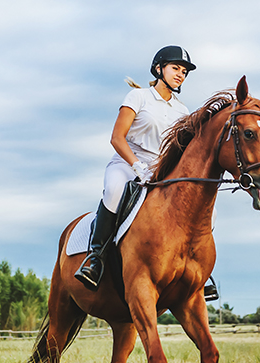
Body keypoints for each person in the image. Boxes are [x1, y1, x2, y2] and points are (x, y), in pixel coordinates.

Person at [74, 45, 196, 290]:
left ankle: (195, 265)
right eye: (176, 68)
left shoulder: (183, 111)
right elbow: (117, 137)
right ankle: (95, 257)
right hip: (128, 162)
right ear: (159, 68)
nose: (180, 74)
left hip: (162, 170)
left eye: (184, 71)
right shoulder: (138, 97)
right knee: (115, 190)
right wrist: (137, 166)